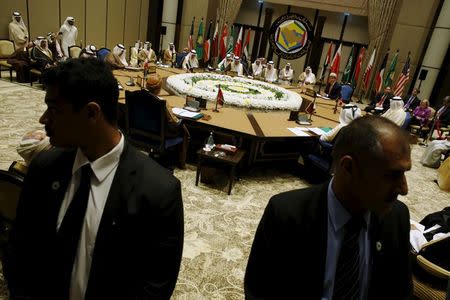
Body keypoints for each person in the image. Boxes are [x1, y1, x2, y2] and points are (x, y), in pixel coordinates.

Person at [5, 58, 184, 299]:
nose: (44, 119)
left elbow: (154, 287)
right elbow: (19, 252)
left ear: (91, 113)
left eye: (55, 110)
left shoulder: (159, 191)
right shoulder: (44, 168)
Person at [245, 115, 413, 299]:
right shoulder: (285, 214)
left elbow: (401, 292)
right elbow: (259, 293)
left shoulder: (397, 217)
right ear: (348, 167)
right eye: (393, 174)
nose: (404, 189)